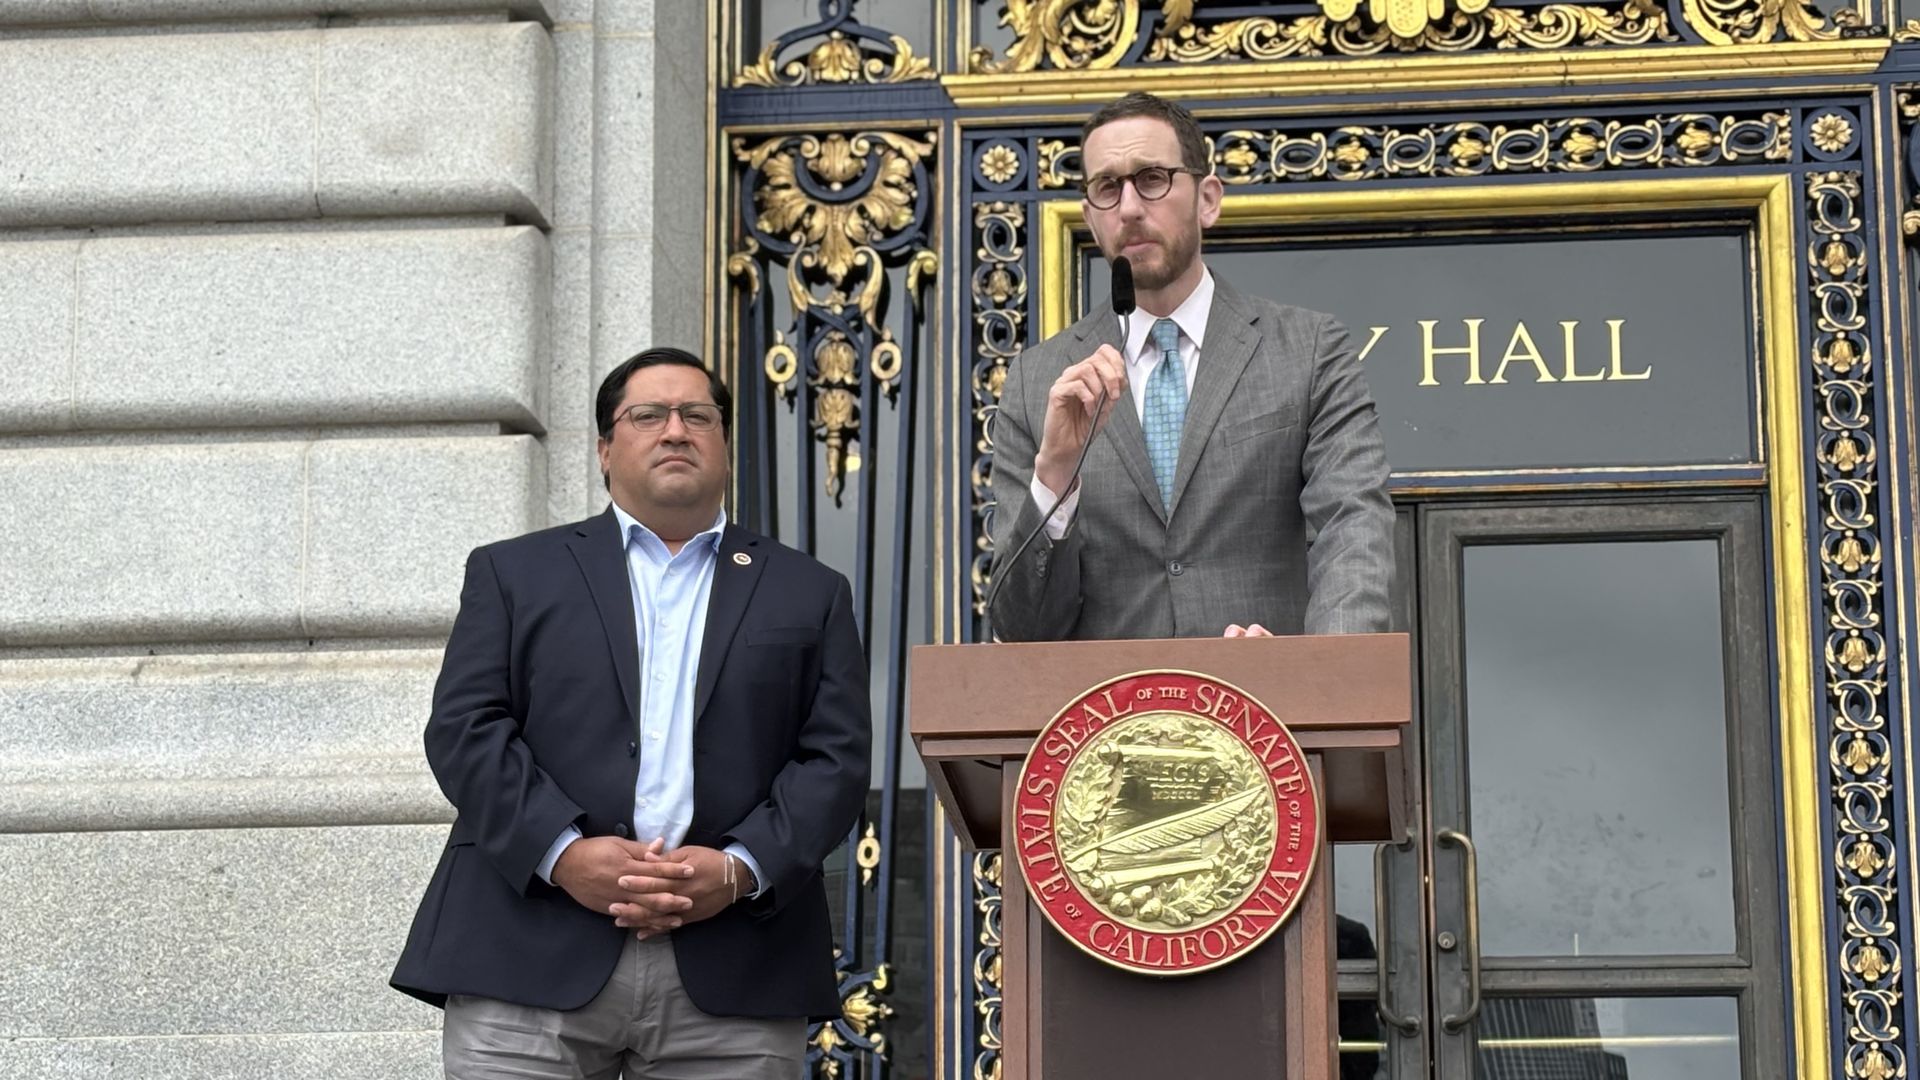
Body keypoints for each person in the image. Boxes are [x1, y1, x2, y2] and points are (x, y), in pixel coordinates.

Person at [391, 347, 871, 1079]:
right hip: (528, 950)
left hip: (736, 967)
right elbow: (466, 729)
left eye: (697, 416)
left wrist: (740, 868)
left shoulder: (810, 591)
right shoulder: (515, 573)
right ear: (605, 449)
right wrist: (564, 854)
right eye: (648, 415)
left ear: (725, 446)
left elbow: (833, 760)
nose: (674, 430)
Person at [987, 91, 1393, 641]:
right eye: (1108, 188)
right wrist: (1055, 477)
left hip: (1267, 717)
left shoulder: (1309, 348)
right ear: (1090, 217)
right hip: (1110, 724)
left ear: (1208, 199)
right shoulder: (1040, 382)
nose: (1129, 207)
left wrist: (1315, 673)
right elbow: (1019, 633)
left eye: (1152, 178)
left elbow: (1353, 529)